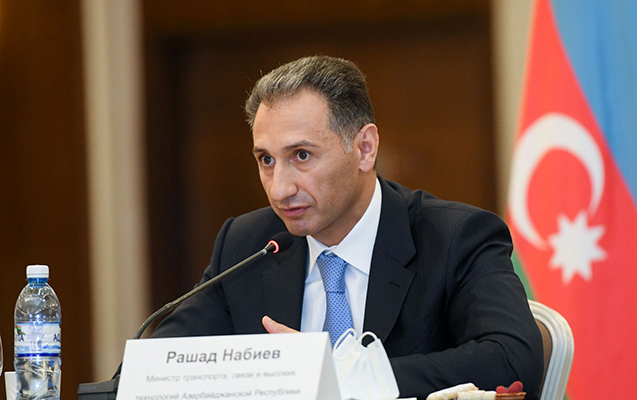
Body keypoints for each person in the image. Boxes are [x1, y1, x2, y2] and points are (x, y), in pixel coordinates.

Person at [151, 55, 544, 399]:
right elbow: (155, 372)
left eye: (301, 155)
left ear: (364, 148)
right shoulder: (247, 244)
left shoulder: (456, 237)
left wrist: (341, 375)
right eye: (266, 160)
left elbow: (513, 358)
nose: (280, 188)